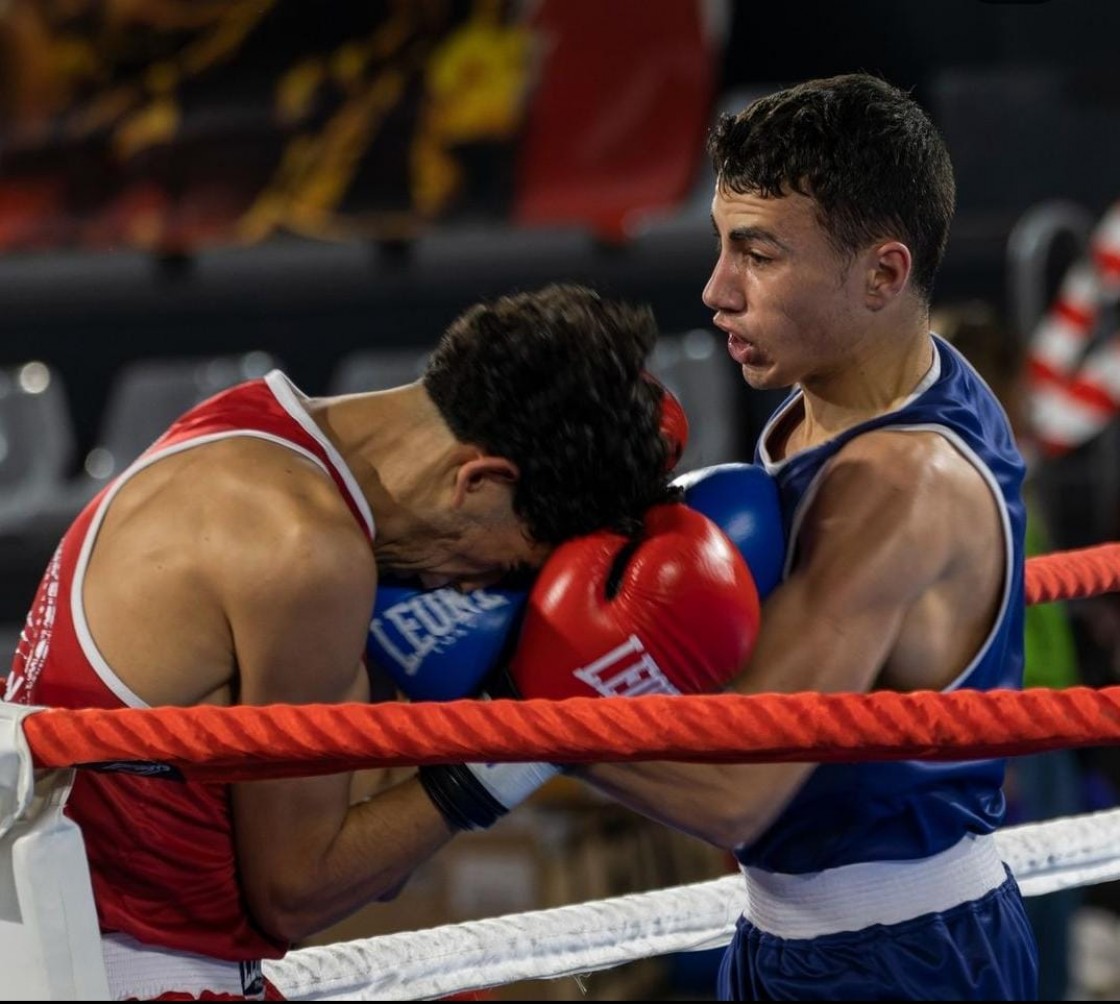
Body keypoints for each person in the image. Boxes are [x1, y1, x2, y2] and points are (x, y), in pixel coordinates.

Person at [425, 73, 1040, 1000]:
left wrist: (515, 705)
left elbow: (736, 795)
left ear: (883, 273)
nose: (717, 290)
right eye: (722, 247)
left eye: (758, 255)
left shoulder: (899, 484)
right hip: (795, 931)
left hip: (901, 955)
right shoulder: (834, 401)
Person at [1, 282, 682, 1001]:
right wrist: (526, 736)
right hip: (136, 977)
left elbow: (361, 848)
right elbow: (298, 891)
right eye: (511, 562)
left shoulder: (243, 428)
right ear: (481, 479)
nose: (480, 590)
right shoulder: (307, 551)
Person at [933, 300, 1086, 1001]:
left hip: (1038, 716)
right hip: (1018, 719)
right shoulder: (977, 474)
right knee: (1024, 906)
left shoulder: (996, 471)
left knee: (1042, 904)